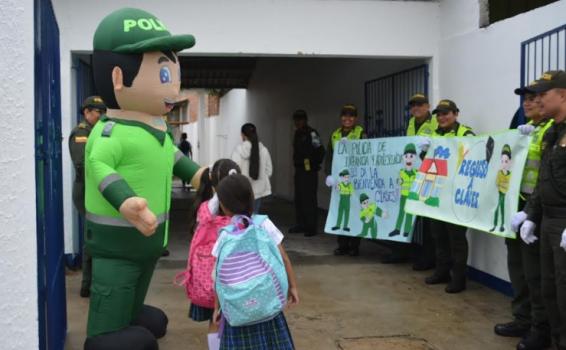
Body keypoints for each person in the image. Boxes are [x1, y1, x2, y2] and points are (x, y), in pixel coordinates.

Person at [84, 8, 205, 349]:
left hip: (149, 240)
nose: (174, 86)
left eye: (174, 72)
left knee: (138, 283)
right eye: (164, 73)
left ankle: (131, 315)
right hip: (116, 239)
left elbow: (175, 160)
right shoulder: (110, 131)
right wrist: (125, 200)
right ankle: (104, 332)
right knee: (115, 282)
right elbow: (99, 166)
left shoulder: (158, 130)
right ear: (119, 77)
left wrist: (201, 176)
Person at [494, 81, 553, 350]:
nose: (528, 103)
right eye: (525, 100)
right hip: (517, 204)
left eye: (534, 98)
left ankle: (541, 326)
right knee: (517, 265)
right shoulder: (524, 128)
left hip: (539, 209)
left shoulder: (554, 131)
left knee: (536, 272)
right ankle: (522, 317)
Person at [211, 174, 299, 350]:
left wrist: (217, 308)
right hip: (268, 307)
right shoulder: (264, 224)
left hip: (237, 313)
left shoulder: (225, 236)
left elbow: (218, 278)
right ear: (251, 199)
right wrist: (293, 287)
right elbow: (284, 258)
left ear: (224, 206)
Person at [515, 70, 566, 350]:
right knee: (549, 288)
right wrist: (530, 214)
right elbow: (544, 179)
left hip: (563, 222)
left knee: (564, 289)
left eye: (544, 94)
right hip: (547, 219)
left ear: (563, 94)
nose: (538, 100)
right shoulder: (553, 131)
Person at [178, 159, 240, 345]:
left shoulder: (205, 208)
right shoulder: (237, 210)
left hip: (210, 279)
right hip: (235, 279)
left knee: (216, 319)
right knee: (228, 318)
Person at [422, 99, 474, 294]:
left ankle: (459, 279)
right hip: (437, 194)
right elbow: (427, 164)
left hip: (457, 196)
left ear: (456, 113)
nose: (442, 117)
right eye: (439, 114)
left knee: (457, 239)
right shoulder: (435, 135)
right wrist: (424, 152)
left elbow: (474, 160)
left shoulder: (466, 134)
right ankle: (441, 272)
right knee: (439, 236)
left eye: (446, 113)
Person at [68, 95, 106, 298]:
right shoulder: (81, 132)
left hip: (94, 189)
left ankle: (92, 282)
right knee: (91, 236)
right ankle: (87, 285)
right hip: (86, 190)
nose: (100, 115)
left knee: (96, 235)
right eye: (96, 112)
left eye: (102, 112)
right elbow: (82, 164)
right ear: (86, 112)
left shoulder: (97, 132)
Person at [324, 104, 366, 256]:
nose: (347, 119)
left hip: (356, 180)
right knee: (341, 211)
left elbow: (367, 154)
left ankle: (354, 246)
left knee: (355, 212)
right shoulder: (335, 134)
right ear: (340, 117)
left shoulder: (361, 132)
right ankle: (342, 245)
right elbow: (329, 156)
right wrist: (328, 174)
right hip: (339, 181)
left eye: (351, 116)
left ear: (356, 118)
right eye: (345, 115)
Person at [405, 94, 437, 271]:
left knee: (427, 220)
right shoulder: (411, 123)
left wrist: (429, 147)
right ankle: (402, 251)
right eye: (413, 105)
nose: (416, 108)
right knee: (408, 215)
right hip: (411, 176)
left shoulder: (434, 122)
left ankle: (428, 258)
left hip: (428, 176)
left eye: (419, 104)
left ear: (427, 106)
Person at [289, 109, 325, 237]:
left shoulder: (312, 133)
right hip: (299, 169)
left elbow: (320, 150)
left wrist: (313, 163)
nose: (298, 122)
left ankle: (311, 226)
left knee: (309, 199)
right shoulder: (297, 134)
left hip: (309, 171)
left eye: (300, 120)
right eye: (296, 120)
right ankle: (301, 224)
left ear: (305, 120)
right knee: (299, 198)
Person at [232, 123, 273, 213]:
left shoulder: (238, 151)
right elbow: (269, 171)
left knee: (242, 218)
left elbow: (234, 171)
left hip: (243, 190)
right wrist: (261, 179)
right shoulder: (264, 150)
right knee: (254, 217)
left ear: (242, 135)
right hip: (258, 191)